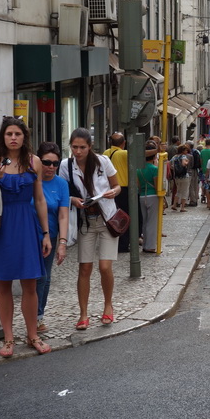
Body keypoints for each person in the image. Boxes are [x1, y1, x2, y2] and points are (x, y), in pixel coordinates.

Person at [0, 117, 52, 356]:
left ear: (24, 137)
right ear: (3, 137)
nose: (13, 138)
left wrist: (46, 233)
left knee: (30, 283)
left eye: (18, 134)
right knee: (3, 283)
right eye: (9, 134)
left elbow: (39, 199)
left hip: (26, 226)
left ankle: (32, 335)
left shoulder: (34, 161)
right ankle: (8, 338)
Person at [59, 128, 121, 331]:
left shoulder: (103, 161)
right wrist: (72, 200)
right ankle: (83, 314)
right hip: (85, 221)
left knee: (105, 267)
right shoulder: (65, 166)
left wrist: (113, 192)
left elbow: (117, 185)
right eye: (74, 147)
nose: (78, 151)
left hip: (106, 219)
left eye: (82, 147)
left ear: (90, 147)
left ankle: (108, 305)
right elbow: (61, 193)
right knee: (84, 268)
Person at [32, 142, 68, 333]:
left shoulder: (61, 184)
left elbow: (63, 214)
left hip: (51, 237)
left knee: (44, 278)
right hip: (28, 236)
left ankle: (38, 316)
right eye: (47, 162)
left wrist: (62, 242)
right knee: (36, 277)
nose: (51, 167)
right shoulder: (30, 180)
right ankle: (33, 317)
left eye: (55, 163)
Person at [103, 132, 131, 253]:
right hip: (123, 189)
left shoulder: (105, 153)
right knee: (124, 217)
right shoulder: (124, 153)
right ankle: (123, 244)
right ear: (123, 143)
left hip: (109, 189)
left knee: (113, 216)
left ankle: (113, 240)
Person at [137, 142, 160, 253]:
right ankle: (150, 246)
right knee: (152, 222)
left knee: (145, 221)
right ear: (154, 156)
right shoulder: (154, 169)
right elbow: (156, 186)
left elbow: (138, 185)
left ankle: (145, 244)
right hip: (152, 196)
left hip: (142, 196)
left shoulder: (138, 169)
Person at [171, 145, 191, 213]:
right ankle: (182, 207)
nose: (186, 151)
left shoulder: (174, 157)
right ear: (183, 150)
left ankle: (174, 205)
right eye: (185, 150)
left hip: (177, 176)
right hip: (184, 176)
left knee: (178, 191)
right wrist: (187, 162)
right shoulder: (183, 156)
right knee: (185, 191)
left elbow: (171, 165)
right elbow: (183, 164)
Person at [200, 139, 210, 204]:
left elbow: (201, 160)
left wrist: (202, 167)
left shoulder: (202, 151)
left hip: (204, 169)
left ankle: (205, 198)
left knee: (205, 185)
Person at [186, 141, 201, 207]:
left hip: (191, 170)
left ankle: (193, 201)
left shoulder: (190, 153)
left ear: (189, 146)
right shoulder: (196, 152)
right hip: (195, 170)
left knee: (191, 186)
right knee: (195, 185)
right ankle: (195, 199)